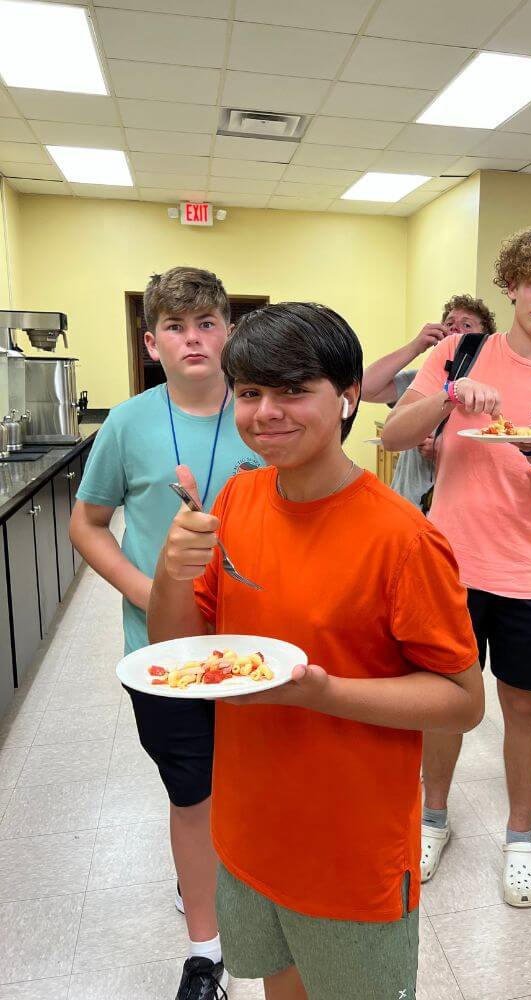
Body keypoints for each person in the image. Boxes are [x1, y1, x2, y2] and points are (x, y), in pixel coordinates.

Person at [148, 302, 485, 1000]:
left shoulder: (402, 538)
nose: (266, 412)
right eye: (249, 393)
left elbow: (461, 702)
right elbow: (175, 649)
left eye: (294, 390)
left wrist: (323, 693)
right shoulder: (238, 499)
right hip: (246, 834)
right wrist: (172, 570)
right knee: (281, 988)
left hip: (349, 851)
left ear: (349, 395)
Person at [382, 222, 531, 906]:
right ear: (512, 283)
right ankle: (433, 819)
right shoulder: (461, 353)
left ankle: (521, 836)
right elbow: (393, 432)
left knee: (523, 702)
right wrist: (450, 398)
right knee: (444, 702)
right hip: (448, 564)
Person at [70, 267, 263, 999]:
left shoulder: (258, 414)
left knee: (255, 778)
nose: (194, 337)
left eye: (208, 322)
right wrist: (148, 592)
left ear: (229, 333)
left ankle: (240, 883)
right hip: (164, 654)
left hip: (256, 647)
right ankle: (206, 953)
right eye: (177, 327)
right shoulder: (128, 422)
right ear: (152, 344)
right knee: (192, 792)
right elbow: (86, 525)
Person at [361, 294, 496, 507]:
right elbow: (365, 388)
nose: (454, 329)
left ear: (485, 339)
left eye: (466, 325)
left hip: (456, 514)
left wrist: (444, 447)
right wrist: (416, 346)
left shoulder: (489, 393)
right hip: (406, 508)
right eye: (449, 323)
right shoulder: (418, 383)